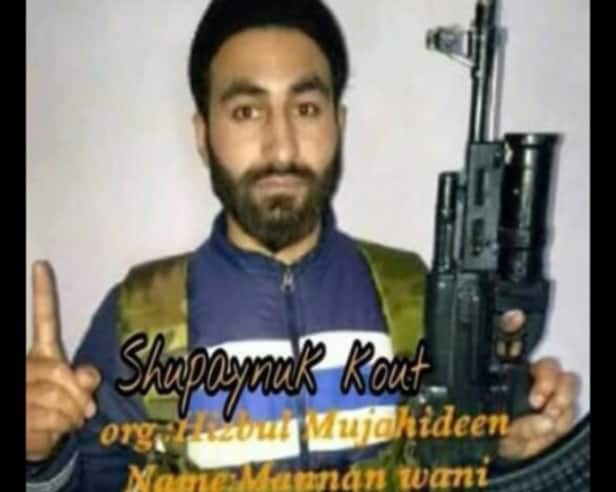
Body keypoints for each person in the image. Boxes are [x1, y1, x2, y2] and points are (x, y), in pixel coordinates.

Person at [26, 1, 579, 490]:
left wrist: (507, 452)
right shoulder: (137, 318)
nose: (281, 146)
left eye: (306, 108)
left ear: (339, 124)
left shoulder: (416, 300)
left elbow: (455, 467)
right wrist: (38, 456)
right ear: (202, 135)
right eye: (246, 111)